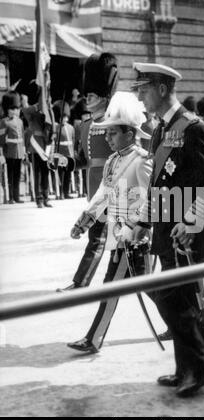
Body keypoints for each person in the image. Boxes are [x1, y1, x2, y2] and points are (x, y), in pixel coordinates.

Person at [131, 62, 204, 398]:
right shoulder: (160, 129)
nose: (140, 96)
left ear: (160, 89)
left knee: (180, 300)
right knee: (174, 299)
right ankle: (185, 368)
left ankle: (198, 368)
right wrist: (143, 224)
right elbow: (160, 185)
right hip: (165, 233)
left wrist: (192, 221)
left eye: (143, 89)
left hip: (189, 235)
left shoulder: (193, 127)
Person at [67, 91, 153, 353]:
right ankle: (180, 316)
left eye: (113, 133)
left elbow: (153, 197)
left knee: (111, 288)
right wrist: (86, 219)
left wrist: (141, 228)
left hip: (133, 238)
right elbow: (104, 193)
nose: (108, 137)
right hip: (120, 236)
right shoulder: (113, 161)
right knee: (149, 286)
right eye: (107, 133)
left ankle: (93, 339)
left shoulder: (141, 161)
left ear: (130, 133)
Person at [56, 52, 119, 292]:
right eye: (87, 92)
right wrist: (66, 163)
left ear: (104, 94)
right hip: (94, 189)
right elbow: (84, 159)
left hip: (113, 187)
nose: (87, 96)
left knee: (101, 238)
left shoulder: (115, 122)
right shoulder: (85, 126)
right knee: (101, 236)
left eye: (92, 93)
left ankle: (81, 282)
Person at [22, 81, 53, 208]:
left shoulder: (48, 111)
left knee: (45, 173)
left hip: (45, 145)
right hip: (36, 147)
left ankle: (46, 197)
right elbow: (25, 110)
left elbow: (51, 127)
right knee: (37, 174)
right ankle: (38, 199)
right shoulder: (33, 110)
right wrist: (38, 105)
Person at [0, 91, 26, 204]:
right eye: (12, 109)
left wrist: (23, 150)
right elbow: (1, 139)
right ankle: (10, 197)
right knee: (9, 175)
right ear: (7, 110)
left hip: (19, 151)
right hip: (9, 151)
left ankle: (16, 196)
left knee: (17, 175)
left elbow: (23, 137)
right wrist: (1, 153)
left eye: (15, 109)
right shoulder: (3, 122)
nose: (14, 111)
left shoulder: (20, 121)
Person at [52, 100, 75, 199]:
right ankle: (60, 193)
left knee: (68, 174)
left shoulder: (71, 128)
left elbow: (73, 141)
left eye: (66, 117)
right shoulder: (56, 128)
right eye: (63, 117)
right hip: (60, 154)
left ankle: (66, 192)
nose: (65, 119)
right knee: (60, 174)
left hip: (69, 153)